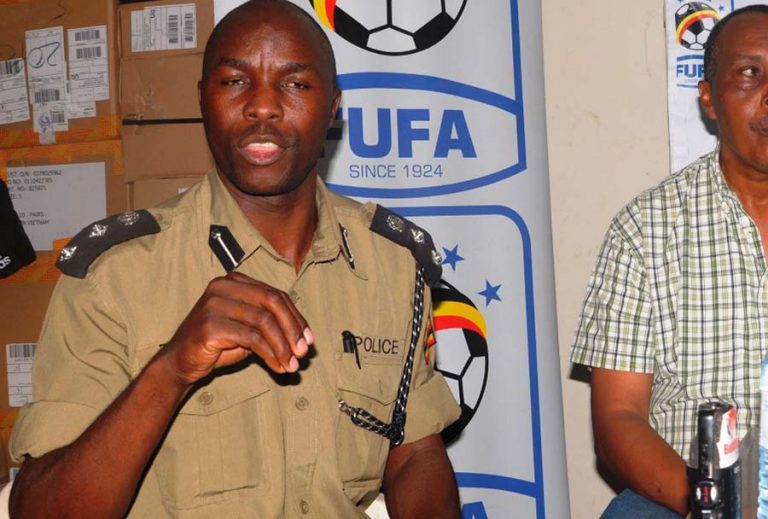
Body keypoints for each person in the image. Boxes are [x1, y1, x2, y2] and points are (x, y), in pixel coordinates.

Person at [7, 1, 462, 517]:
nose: (263, 107)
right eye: (235, 82)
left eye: (296, 83)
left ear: (334, 107)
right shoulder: (114, 277)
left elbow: (414, 454)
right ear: (202, 98)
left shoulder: (392, 265)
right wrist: (171, 370)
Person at [569, 5, 768, 518]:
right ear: (709, 97)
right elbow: (618, 418)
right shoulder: (646, 228)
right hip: (690, 498)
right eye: (750, 73)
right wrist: (711, 504)